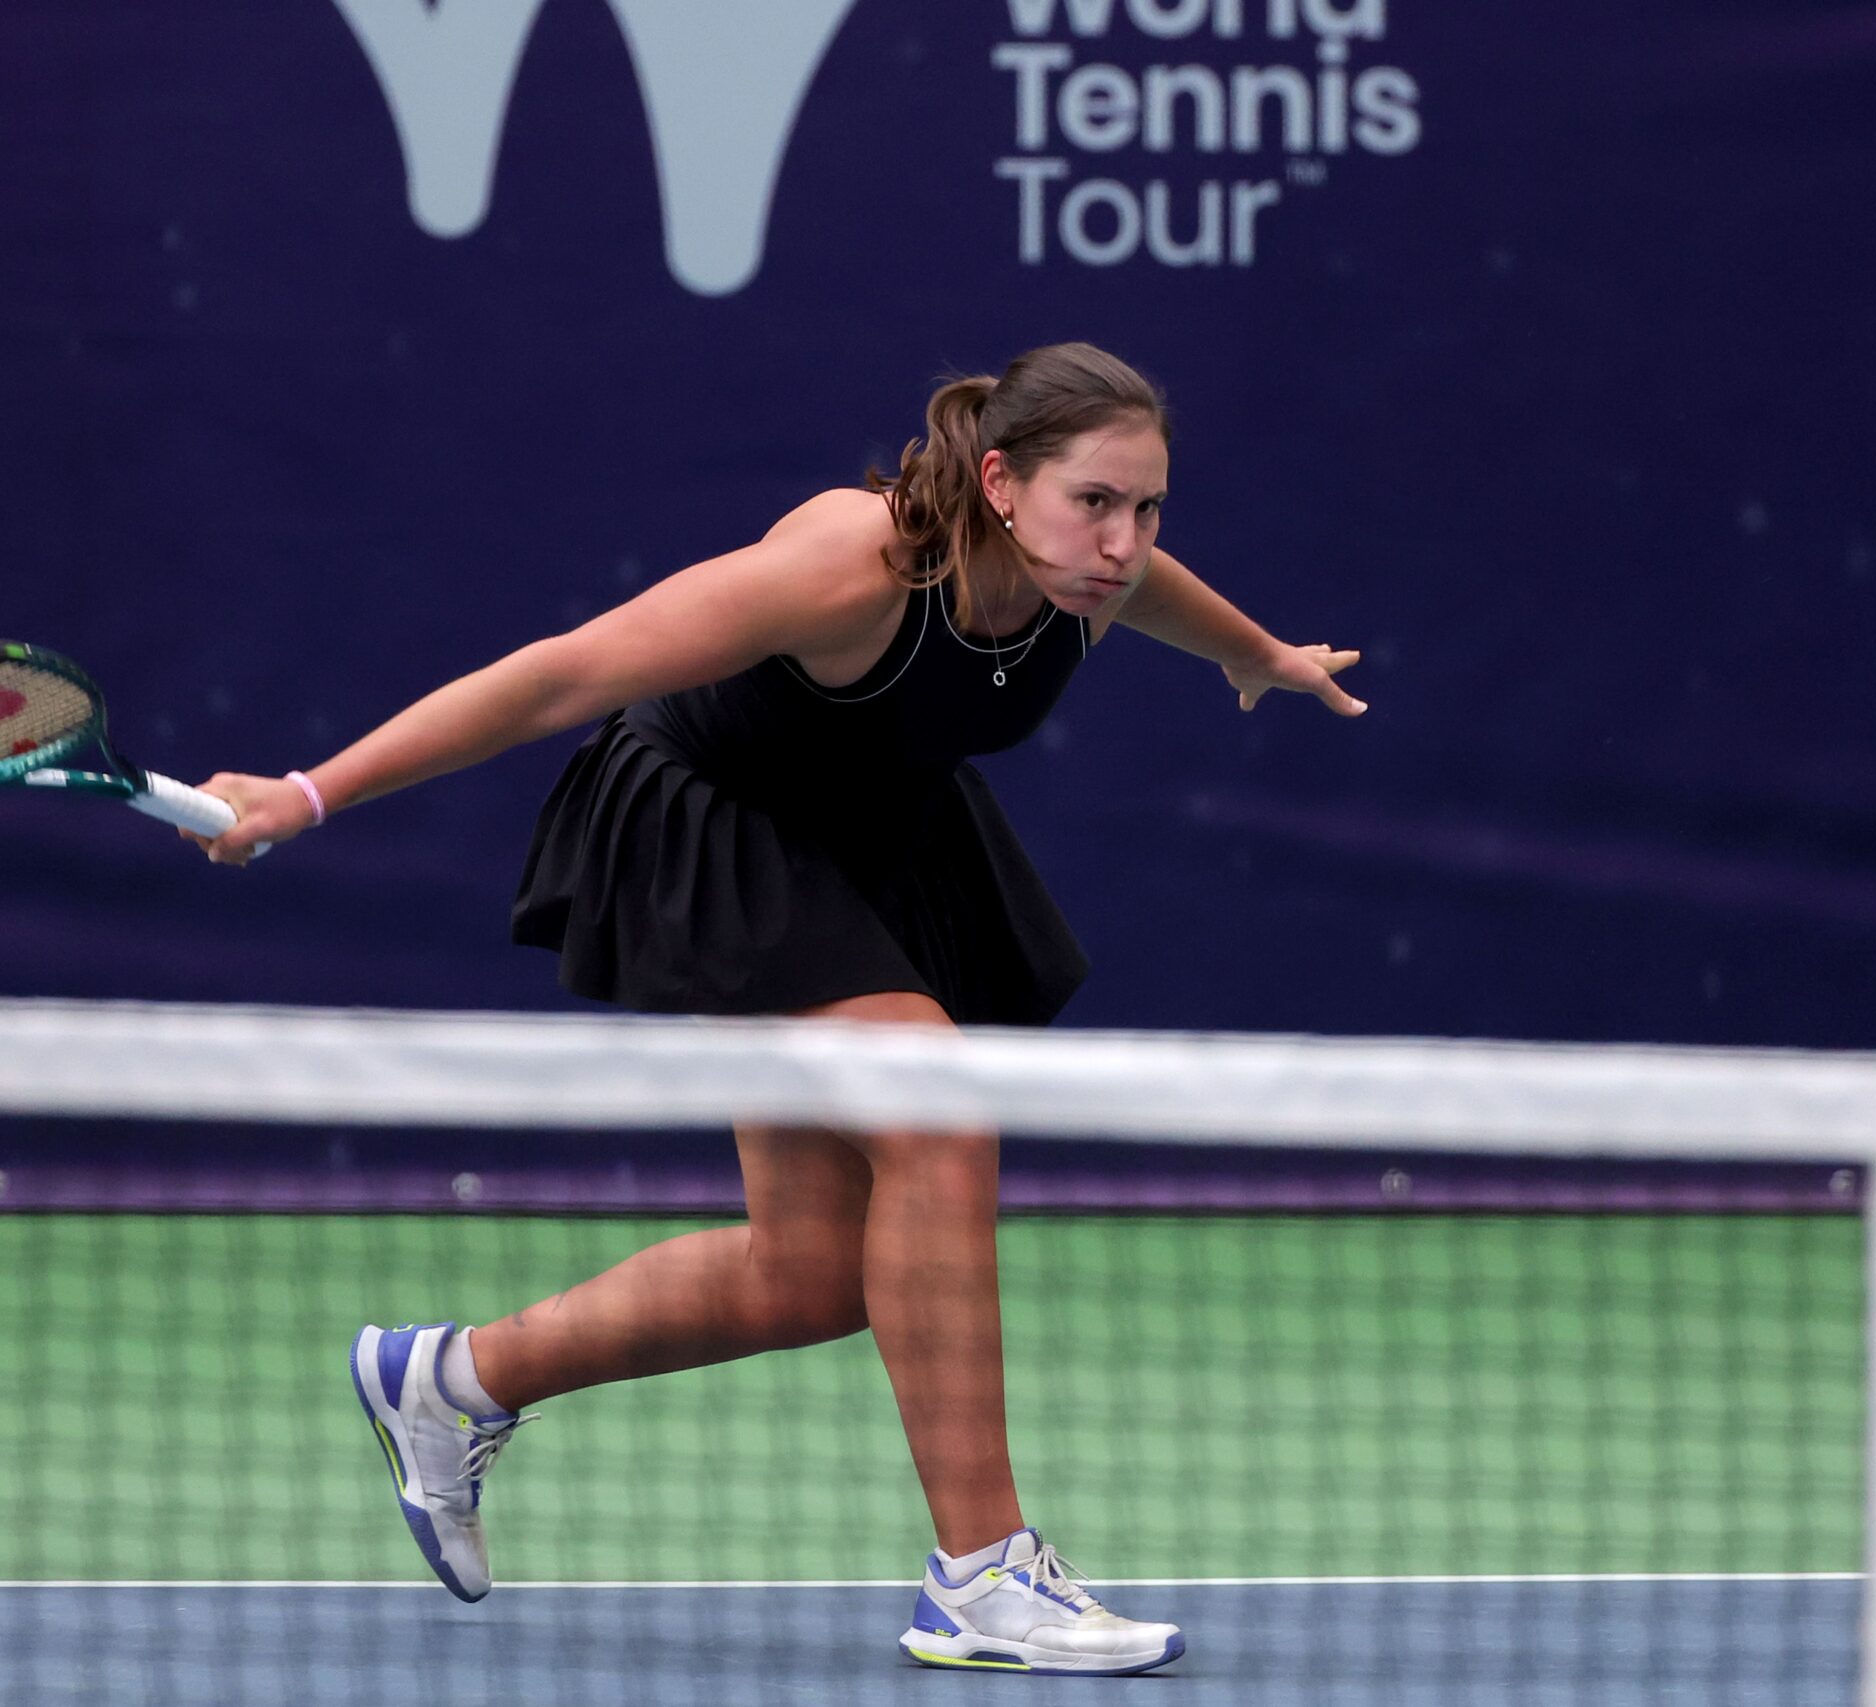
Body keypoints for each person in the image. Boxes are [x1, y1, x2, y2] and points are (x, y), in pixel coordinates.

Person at [187, 342, 1366, 1676]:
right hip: (714, 828)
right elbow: (566, 674)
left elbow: (1154, 592)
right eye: (1095, 502)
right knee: (936, 1108)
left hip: (862, 842)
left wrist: (1257, 653)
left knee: (805, 1276)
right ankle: (983, 1575)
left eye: (1148, 506)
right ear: (997, 481)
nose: (1123, 540)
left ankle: (453, 1382)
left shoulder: (1084, 578)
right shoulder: (851, 568)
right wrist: (308, 793)